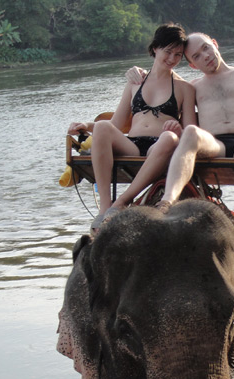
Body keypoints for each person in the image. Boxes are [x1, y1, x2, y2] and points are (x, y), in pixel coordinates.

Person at [128, 32, 234, 266]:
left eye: (207, 48)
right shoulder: (193, 86)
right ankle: (167, 202)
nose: (205, 56)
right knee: (190, 131)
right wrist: (138, 72)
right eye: (197, 56)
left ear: (215, 45)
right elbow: (162, 76)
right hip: (215, 143)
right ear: (192, 64)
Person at [67, 23, 196, 234]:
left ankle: (122, 201)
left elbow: (191, 129)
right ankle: (105, 206)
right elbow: (116, 124)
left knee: (169, 139)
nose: (172, 59)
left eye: (178, 54)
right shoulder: (135, 82)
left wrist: (178, 130)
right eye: (168, 52)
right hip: (132, 145)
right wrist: (88, 126)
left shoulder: (185, 88)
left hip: (160, 145)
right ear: (155, 48)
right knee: (101, 126)